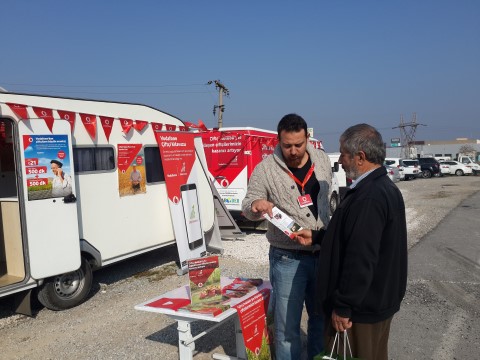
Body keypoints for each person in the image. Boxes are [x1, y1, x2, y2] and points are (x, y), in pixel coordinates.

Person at [294, 123, 408, 360]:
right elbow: (352, 237)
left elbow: (361, 257)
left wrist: (344, 306)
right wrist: (317, 236)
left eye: (344, 154)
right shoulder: (381, 187)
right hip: (374, 303)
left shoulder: (369, 196)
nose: (341, 161)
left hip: (360, 311)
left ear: (360, 157)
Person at [241, 113, 332, 359]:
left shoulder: (322, 160)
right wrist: (256, 205)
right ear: (278, 140)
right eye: (287, 145)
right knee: (286, 328)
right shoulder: (265, 169)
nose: (293, 151)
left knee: (320, 319)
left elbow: (326, 201)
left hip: (323, 253)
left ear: (307, 139)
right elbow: (248, 206)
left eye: (299, 145)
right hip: (287, 260)